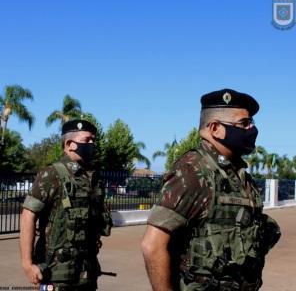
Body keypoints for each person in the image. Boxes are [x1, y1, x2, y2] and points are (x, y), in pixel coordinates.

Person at [141, 89, 281, 291]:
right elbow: (152, 246)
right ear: (215, 128)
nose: (252, 129)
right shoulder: (192, 172)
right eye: (244, 123)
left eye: (252, 123)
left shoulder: (237, 174)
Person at [20, 119, 113, 291]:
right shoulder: (52, 174)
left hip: (87, 271)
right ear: (70, 144)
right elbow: (28, 216)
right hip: (55, 273)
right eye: (87, 140)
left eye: (94, 140)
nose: (92, 144)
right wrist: (27, 264)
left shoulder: (93, 177)